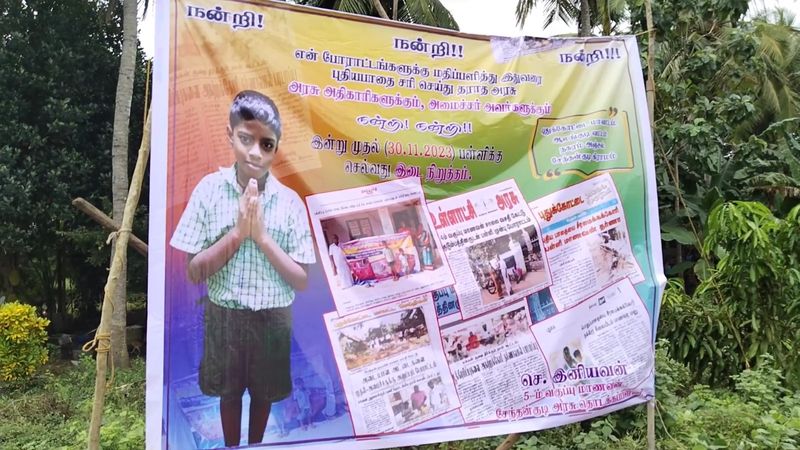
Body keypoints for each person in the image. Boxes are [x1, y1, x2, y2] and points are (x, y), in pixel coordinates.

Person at [170, 90, 316, 447]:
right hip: (225, 314)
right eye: (246, 139)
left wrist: (263, 238)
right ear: (230, 134)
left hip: (274, 317)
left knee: (265, 393)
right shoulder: (209, 191)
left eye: (266, 144)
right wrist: (237, 234)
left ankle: (255, 444)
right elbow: (193, 272)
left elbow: (300, 280)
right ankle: (233, 445)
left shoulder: (289, 202)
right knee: (228, 392)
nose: (255, 152)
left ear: (276, 147)